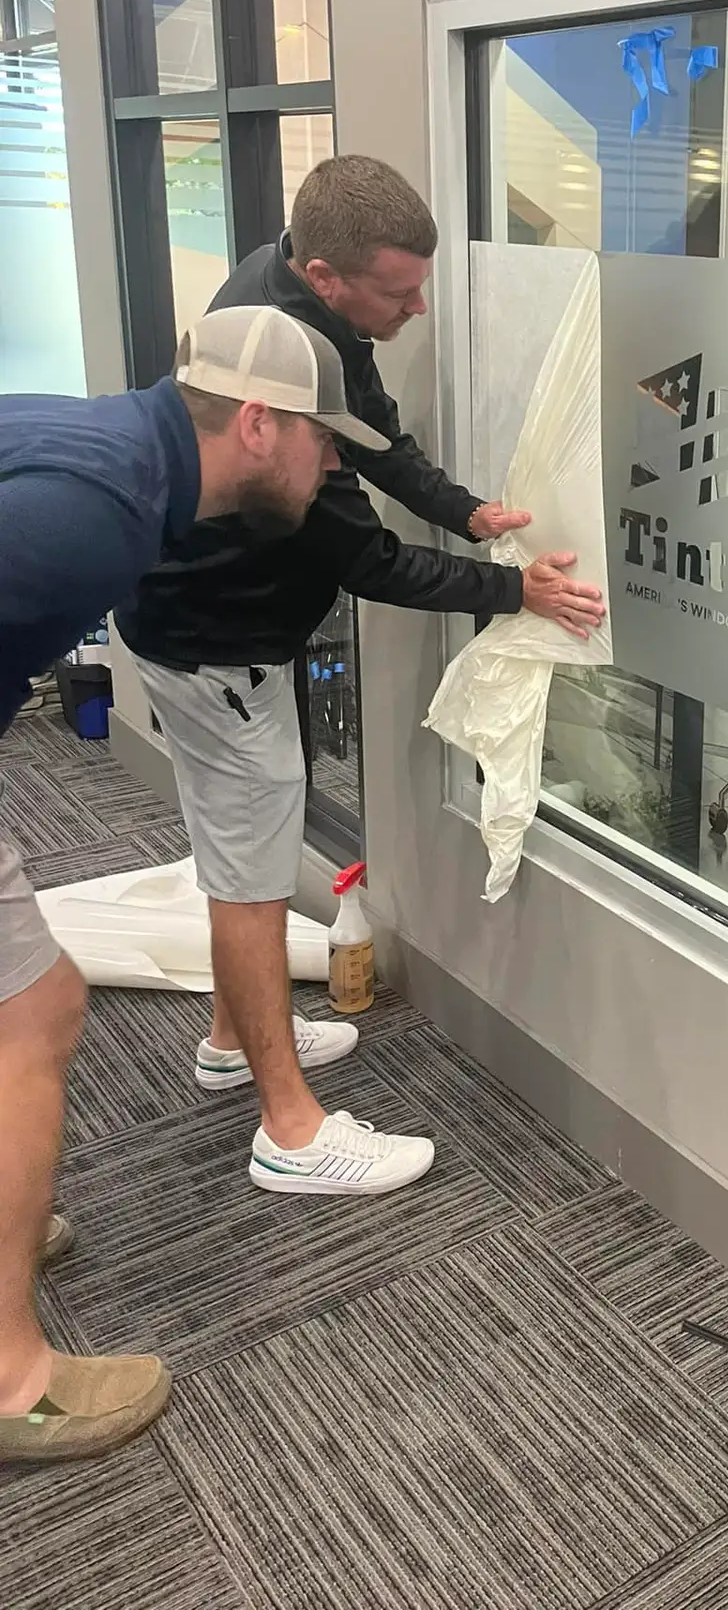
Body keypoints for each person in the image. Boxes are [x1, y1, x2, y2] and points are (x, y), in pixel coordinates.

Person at [114, 156, 606, 1201]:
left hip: (202, 634)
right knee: (252, 880)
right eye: (400, 292)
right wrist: (516, 593)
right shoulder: (280, 366)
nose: (418, 309)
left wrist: (468, 511)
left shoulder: (307, 309)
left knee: (235, 852)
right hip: (218, 644)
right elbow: (369, 562)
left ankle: (233, 1041)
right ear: (327, 276)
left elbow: (376, 433)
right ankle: (289, 1132)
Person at [0, 304, 394, 1462]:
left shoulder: (114, 449)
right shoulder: (96, 516)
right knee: (37, 1014)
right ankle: (13, 1379)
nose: (332, 469)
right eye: (324, 441)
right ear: (260, 425)